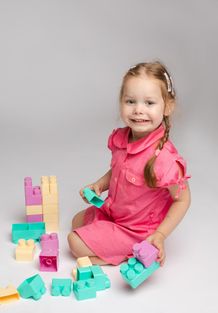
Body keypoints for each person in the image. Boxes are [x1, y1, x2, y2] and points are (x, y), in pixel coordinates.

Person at [67, 61, 191, 267]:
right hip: (115, 214)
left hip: (137, 230)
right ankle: (109, 235)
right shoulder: (122, 138)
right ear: (121, 102)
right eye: (130, 101)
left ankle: (136, 250)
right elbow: (117, 170)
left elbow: (182, 200)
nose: (138, 110)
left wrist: (160, 234)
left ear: (167, 106)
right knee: (76, 221)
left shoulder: (165, 159)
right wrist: (98, 185)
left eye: (149, 103)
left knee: (74, 242)